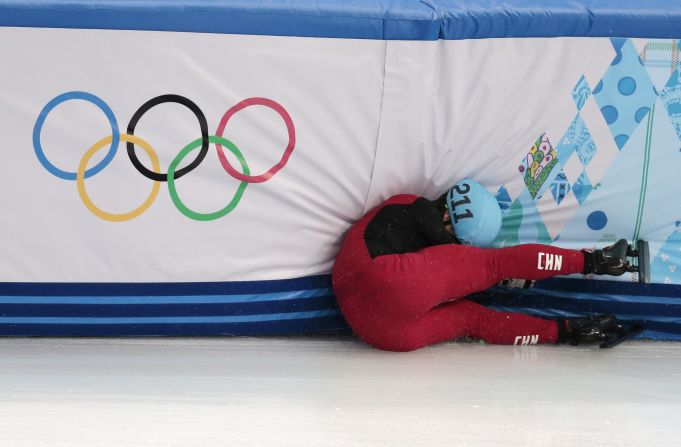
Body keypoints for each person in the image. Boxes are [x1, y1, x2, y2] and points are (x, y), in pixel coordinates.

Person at [332, 179, 633, 352]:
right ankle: (596, 260)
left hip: (370, 327)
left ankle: (570, 331)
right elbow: (464, 263)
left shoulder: (406, 208)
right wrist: (494, 274)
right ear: (449, 220)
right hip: (393, 306)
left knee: (472, 319)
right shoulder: (421, 211)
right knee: (494, 265)